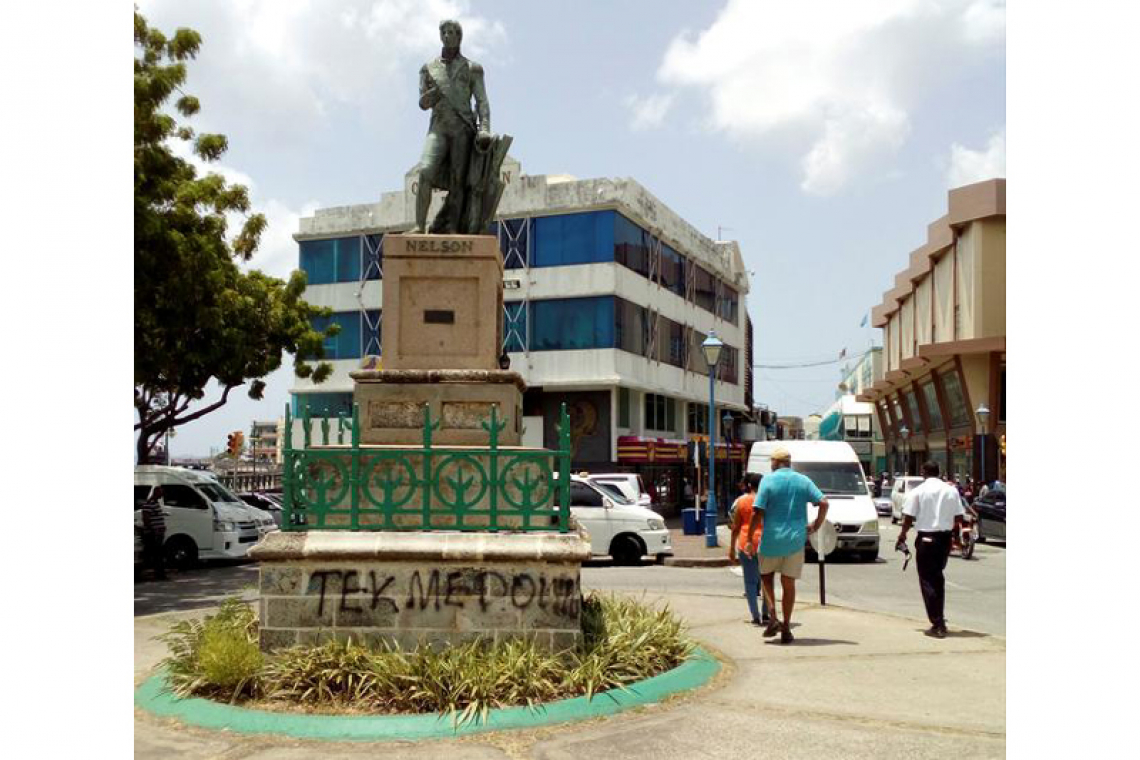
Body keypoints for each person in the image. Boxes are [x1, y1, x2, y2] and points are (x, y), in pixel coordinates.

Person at [409, 19, 492, 234]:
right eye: (444, 32)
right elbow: (422, 103)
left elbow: (482, 101)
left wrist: (484, 128)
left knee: (458, 181)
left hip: (462, 129)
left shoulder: (473, 68)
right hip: (438, 127)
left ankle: (453, 228)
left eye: (452, 32)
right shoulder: (428, 68)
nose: (448, 36)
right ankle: (419, 225)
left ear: (459, 37)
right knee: (425, 171)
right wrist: (434, 94)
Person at [745, 447, 829, 644]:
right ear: (789, 462)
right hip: (795, 541)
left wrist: (749, 538)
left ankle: (773, 614)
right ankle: (787, 628)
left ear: (774, 463)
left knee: (765, 577)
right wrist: (816, 525)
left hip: (771, 540)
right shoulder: (803, 480)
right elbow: (824, 503)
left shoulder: (767, 480)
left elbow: (757, 512)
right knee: (788, 583)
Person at [896, 461, 965, 638]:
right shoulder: (951, 490)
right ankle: (939, 617)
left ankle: (938, 623)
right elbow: (958, 516)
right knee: (937, 578)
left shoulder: (918, 491)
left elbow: (909, 517)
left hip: (927, 539)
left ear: (923, 472)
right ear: (939, 472)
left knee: (928, 580)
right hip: (944, 539)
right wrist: (954, 536)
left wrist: (902, 535)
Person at [729, 473, 771, 625]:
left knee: (750, 582)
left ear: (749, 485)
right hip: (765, 542)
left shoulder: (742, 501)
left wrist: (731, 548)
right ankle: (766, 612)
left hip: (746, 543)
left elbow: (735, 527)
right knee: (767, 579)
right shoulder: (767, 500)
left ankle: (755, 616)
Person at [140, 485, 168, 581]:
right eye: (160, 493)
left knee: (158, 554)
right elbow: (146, 519)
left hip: (158, 533)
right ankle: (158, 574)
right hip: (153, 534)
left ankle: (159, 574)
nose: (162, 495)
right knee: (156, 554)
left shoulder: (156, 503)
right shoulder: (149, 503)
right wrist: (153, 530)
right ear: (156, 493)